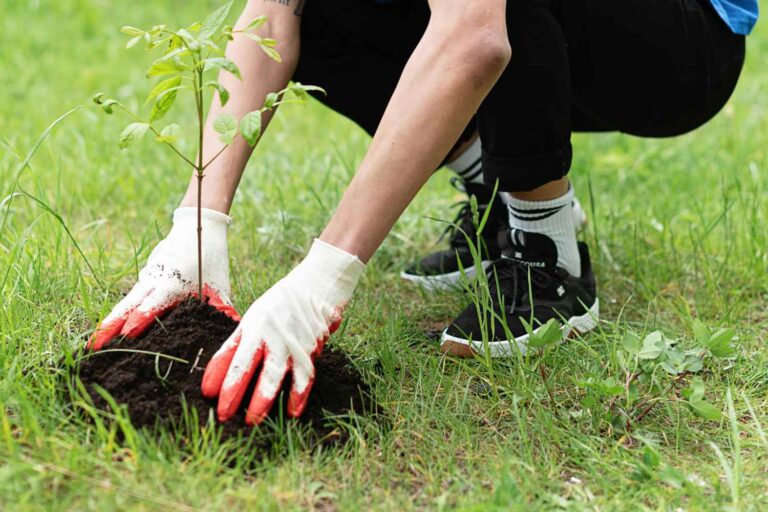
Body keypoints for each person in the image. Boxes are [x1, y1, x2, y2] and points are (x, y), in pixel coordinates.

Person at [88, 0, 758, 425]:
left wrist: (321, 281)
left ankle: (547, 250)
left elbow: (475, 37)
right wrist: (199, 222)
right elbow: (271, 16)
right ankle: (494, 198)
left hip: (681, 37)